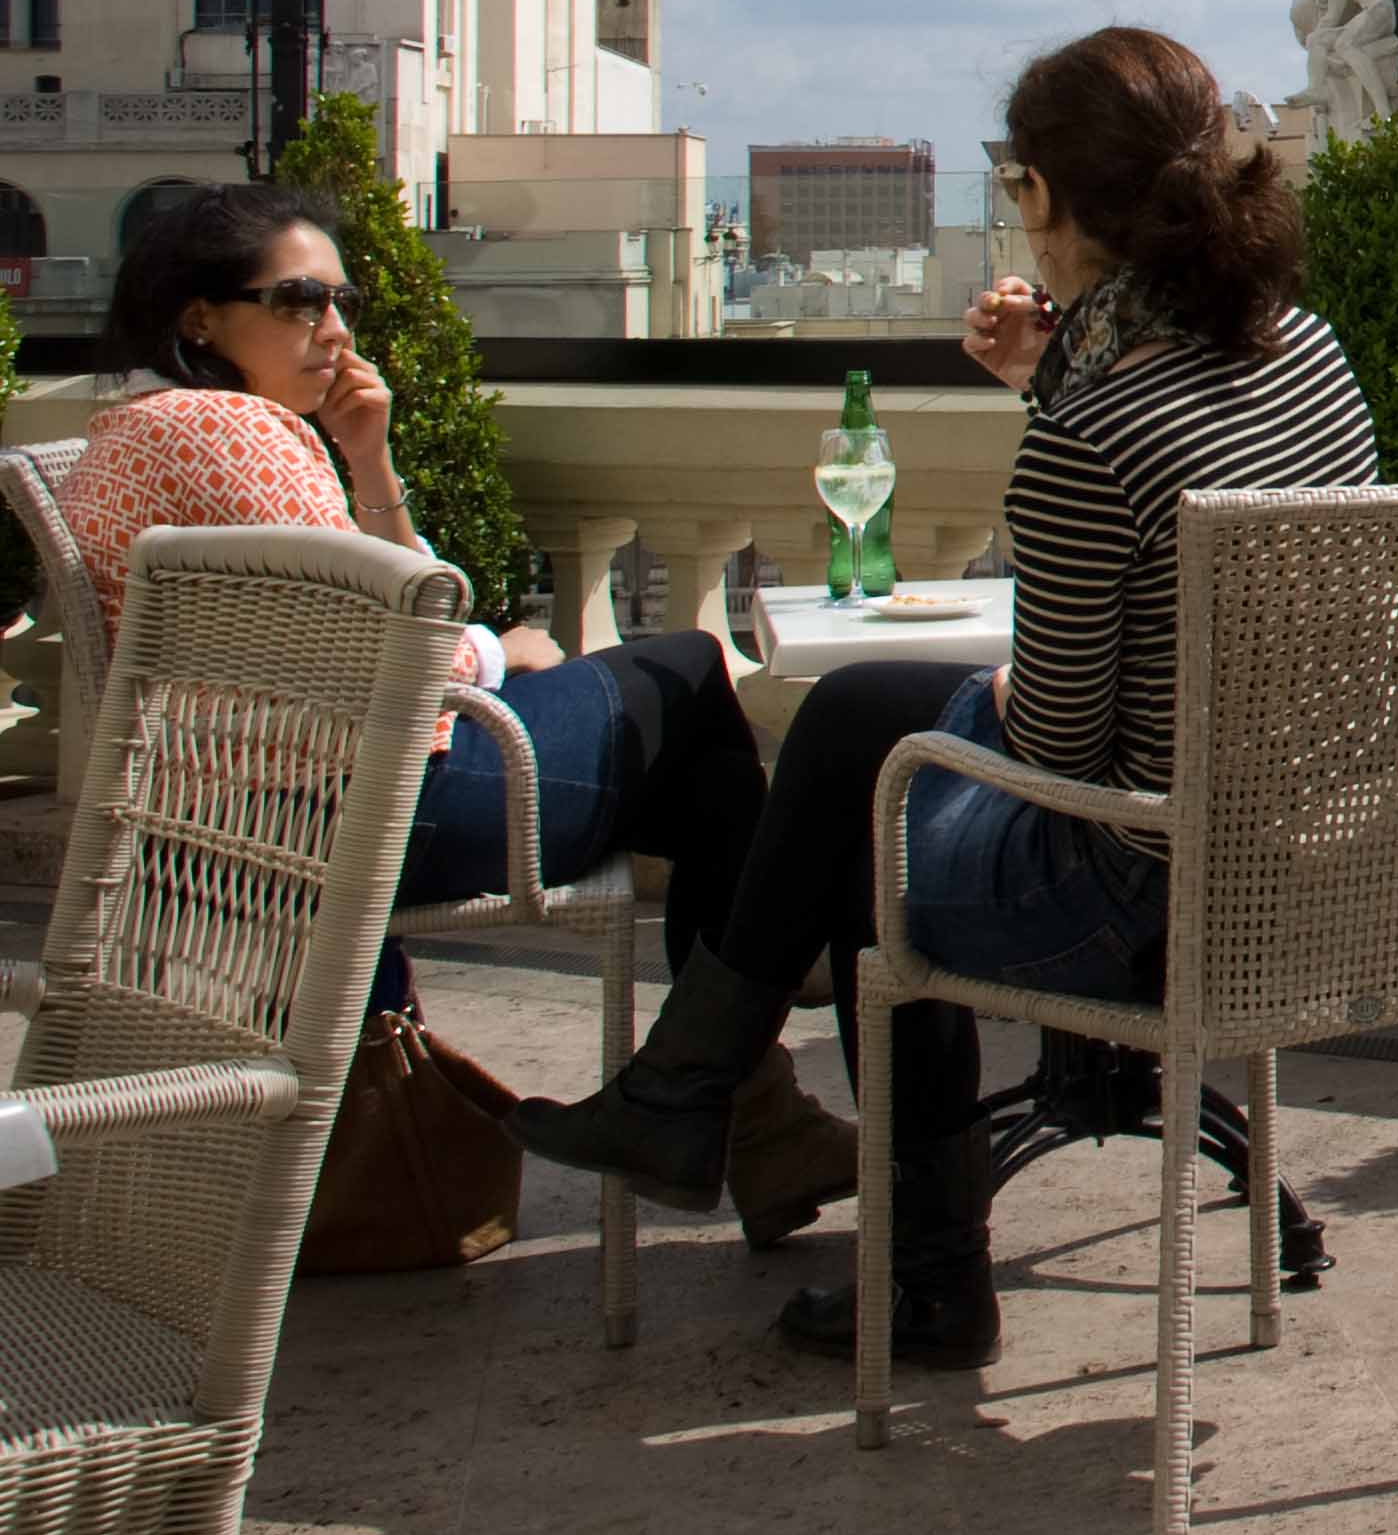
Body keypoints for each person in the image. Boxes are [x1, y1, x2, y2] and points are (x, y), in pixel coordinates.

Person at [513, 28, 1377, 1368]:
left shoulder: (1098, 432)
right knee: (864, 717)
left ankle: (909, 1267)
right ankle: (689, 1085)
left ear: (1036, 197)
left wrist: (997, 681)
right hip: (1306, 865)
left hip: (1139, 892)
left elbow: (1056, 743)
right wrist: (1056, 379)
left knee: (870, 837)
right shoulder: (1305, 352)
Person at [58, 184, 856, 1247]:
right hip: (355, 815)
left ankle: (731, 1074)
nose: (334, 329)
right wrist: (490, 650)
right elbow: (383, 646)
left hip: (258, 824)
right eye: (298, 300)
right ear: (199, 314)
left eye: (339, 300)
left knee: (701, 768)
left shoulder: (145, 426)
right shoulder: (232, 430)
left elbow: (378, 601)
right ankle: (744, 1038)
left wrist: (368, 455)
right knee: (691, 673)